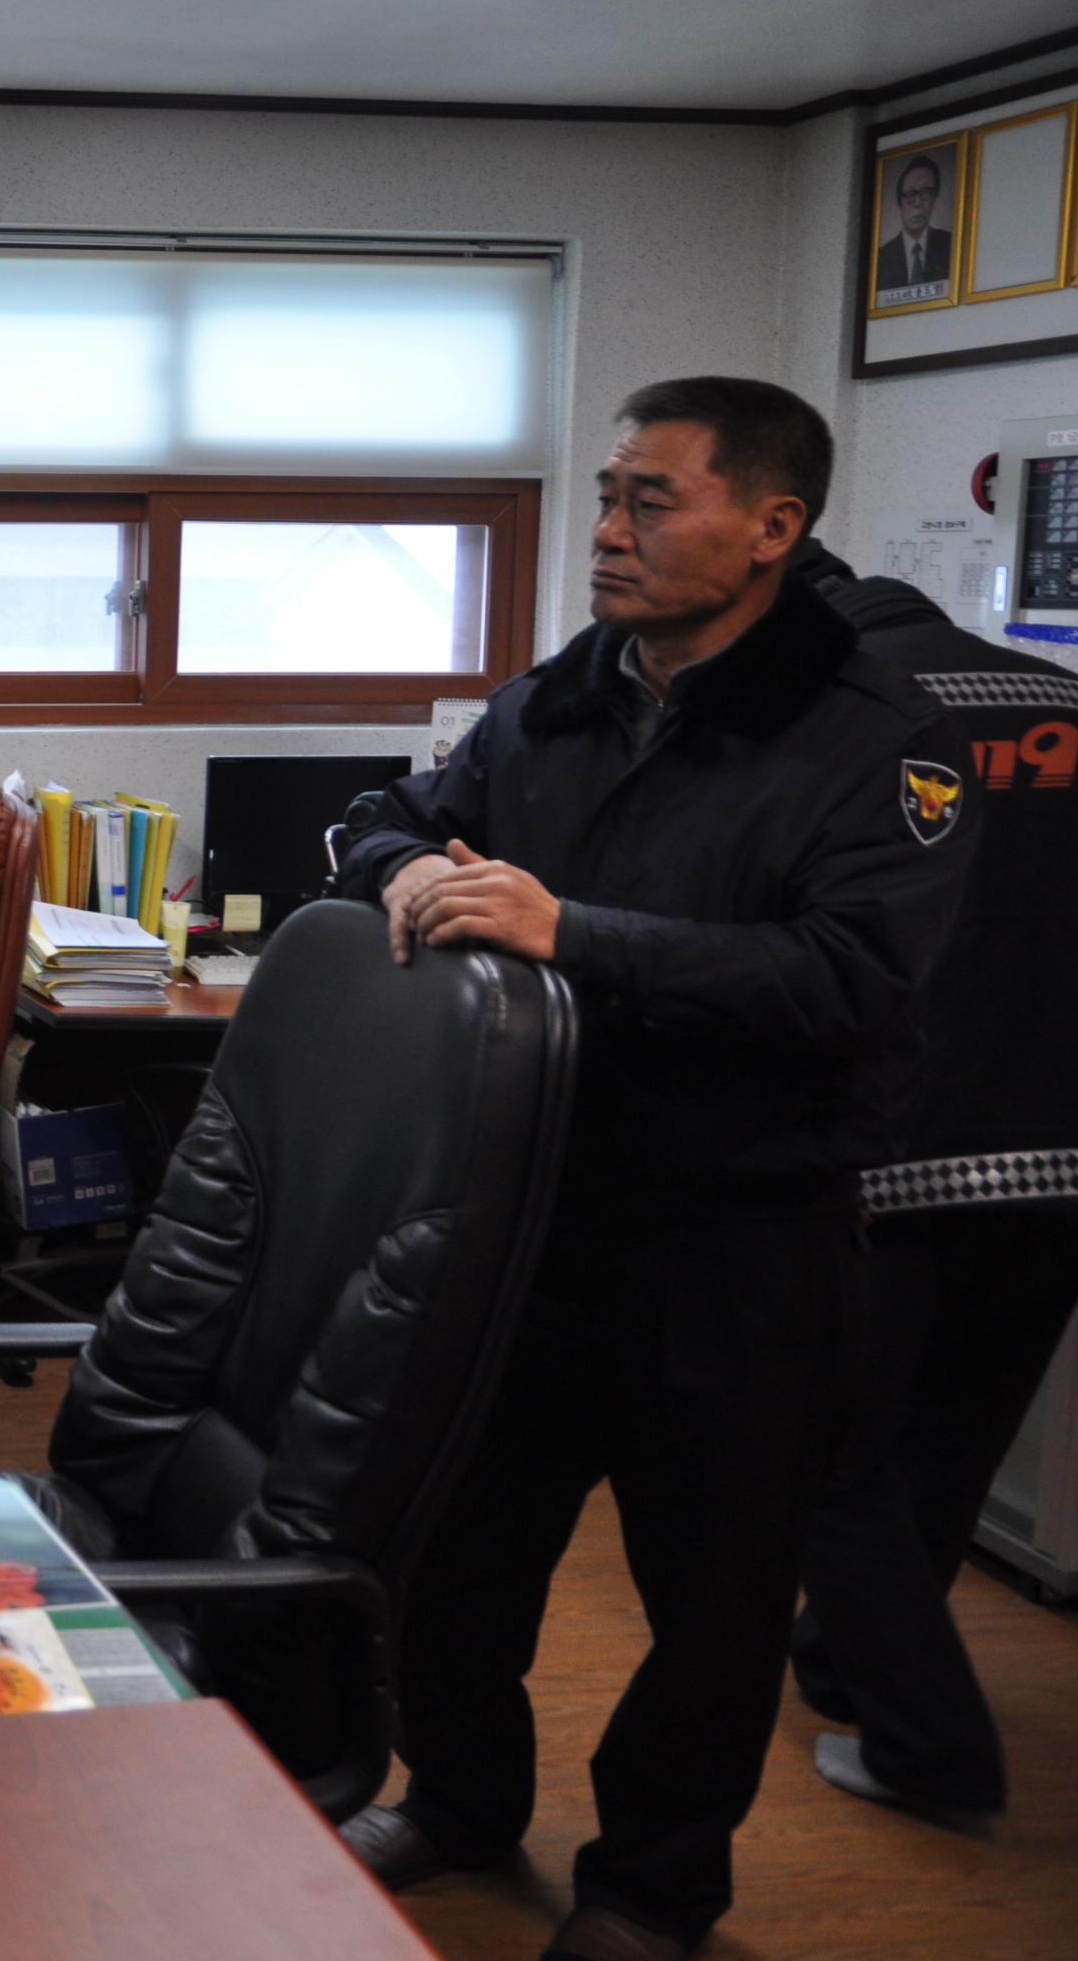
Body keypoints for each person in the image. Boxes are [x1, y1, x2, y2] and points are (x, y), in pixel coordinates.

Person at [327, 377, 972, 1961]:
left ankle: (650, 1890)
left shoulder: (882, 740)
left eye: (648, 500)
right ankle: (461, 1799)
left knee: (715, 1600)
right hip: (524, 1220)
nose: (606, 532)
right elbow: (384, 816)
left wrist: (572, 933)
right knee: (456, 1557)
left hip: (739, 1242)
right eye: (607, 496)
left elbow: (846, 982)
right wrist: (404, 868)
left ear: (771, 526)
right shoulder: (561, 695)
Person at [782, 535, 1078, 1825]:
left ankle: (931, 1748)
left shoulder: (841, 714)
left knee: (821, 1455)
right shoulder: (1058, 698)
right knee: (948, 1443)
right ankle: (846, 1663)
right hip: (1061, 1163)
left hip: (892, 1156)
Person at [875, 154, 956, 297]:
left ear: (934, 198)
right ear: (900, 202)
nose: (918, 203)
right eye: (910, 194)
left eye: (926, 192)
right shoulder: (881, 259)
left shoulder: (952, 246)